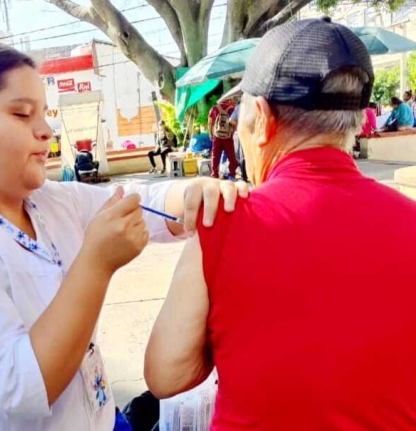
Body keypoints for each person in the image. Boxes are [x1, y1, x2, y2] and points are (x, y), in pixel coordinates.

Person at [0, 43, 247, 431]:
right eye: (22, 114)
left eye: (44, 114)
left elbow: (149, 204)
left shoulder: (51, 201)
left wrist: (194, 194)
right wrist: (95, 264)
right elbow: (23, 389)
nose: (46, 131)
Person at [145, 17, 416, 431]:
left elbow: (166, 375)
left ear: (263, 119)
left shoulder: (223, 224)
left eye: (242, 113)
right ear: (361, 121)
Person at [209, 98, 238, 179]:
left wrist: (210, 133)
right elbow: (234, 122)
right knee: (231, 156)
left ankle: (215, 174)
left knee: (215, 156)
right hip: (228, 137)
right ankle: (232, 174)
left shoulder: (214, 108)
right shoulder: (232, 108)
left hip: (217, 137)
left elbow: (210, 123)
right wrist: (232, 132)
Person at [229, 102, 248, 182]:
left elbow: (231, 120)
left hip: (243, 132)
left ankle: (244, 176)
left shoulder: (238, 107)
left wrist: (239, 124)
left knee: (243, 154)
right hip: (254, 132)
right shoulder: (253, 104)